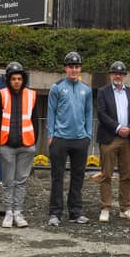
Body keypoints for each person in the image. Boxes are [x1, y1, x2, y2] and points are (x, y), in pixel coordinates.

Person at [47, 51, 93, 226]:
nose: (74, 70)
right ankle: (55, 213)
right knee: (57, 176)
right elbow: (50, 113)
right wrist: (51, 135)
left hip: (80, 139)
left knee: (78, 177)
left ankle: (75, 212)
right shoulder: (57, 87)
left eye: (77, 66)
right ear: (65, 68)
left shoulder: (86, 90)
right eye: (70, 66)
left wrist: (88, 135)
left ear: (80, 68)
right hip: (60, 138)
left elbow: (89, 113)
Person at [96, 60, 130, 223]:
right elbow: (101, 113)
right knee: (106, 174)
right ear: (110, 75)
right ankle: (106, 207)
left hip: (127, 138)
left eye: (121, 73)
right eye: (115, 72)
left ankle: (125, 208)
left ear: (125, 76)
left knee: (126, 175)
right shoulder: (103, 92)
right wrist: (117, 127)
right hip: (109, 138)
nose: (118, 75)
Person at [0, 61, 38, 228]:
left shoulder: (31, 95)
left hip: (26, 145)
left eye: (19, 78)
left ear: (23, 79)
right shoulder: (1, 95)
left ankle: (18, 213)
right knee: (8, 181)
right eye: (13, 78)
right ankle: (8, 213)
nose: (17, 81)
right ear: (9, 80)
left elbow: (34, 120)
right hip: (6, 144)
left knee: (21, 181)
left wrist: (34, 141)